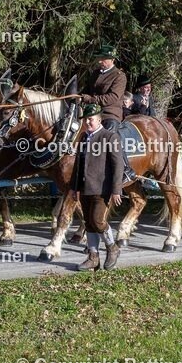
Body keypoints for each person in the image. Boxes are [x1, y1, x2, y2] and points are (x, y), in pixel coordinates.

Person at [69, 104, 124, 271]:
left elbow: (118, 165)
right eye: (85, 119)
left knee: (98, 220)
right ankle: (93, 257)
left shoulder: (109, 137)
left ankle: (112, 247)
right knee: (89, 223)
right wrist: (74, 187)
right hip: (86, 187)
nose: (87, 122)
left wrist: (116, 190)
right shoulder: (83, 138)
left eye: (90, 119)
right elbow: (78, 164)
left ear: (99, 119)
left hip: (103, 189)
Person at [80, 44, 127, 130]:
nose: (99, 61)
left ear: (112, 59)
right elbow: (86, 90)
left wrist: (91, 100)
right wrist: (79, 96)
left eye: (103, 58)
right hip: (90, 112)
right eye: (99, 58)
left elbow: (113, 97)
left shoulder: (119, 76)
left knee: (107, 139)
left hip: (109, 114)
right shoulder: (95, 73)